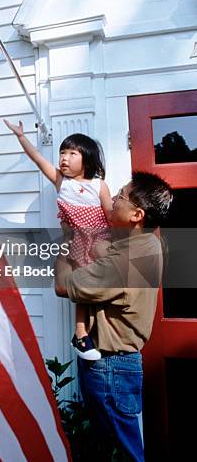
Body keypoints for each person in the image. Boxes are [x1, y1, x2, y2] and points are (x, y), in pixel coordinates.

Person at [55, 171, 173, 462]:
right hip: (117, 364)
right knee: (116, 447)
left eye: (120, 196)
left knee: (120, 453)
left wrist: (65, 243)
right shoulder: (148, 243)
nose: (113, 200)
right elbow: (106, 248)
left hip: (110, 366)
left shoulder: (124, 262)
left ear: (137, 214)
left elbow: (62, 285)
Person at [4, 120, 112, 360]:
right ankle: (81, 333)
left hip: (99, 241)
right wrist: (21, 137)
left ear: (87, 159)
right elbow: (37, 159)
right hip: (76, 243)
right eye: (62, 152)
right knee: (79, 289)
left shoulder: (98, 185)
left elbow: (111, 215)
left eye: (72, 153)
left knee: (99, 289)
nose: (64, 158)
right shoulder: (62, 182)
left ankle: (95, 334)